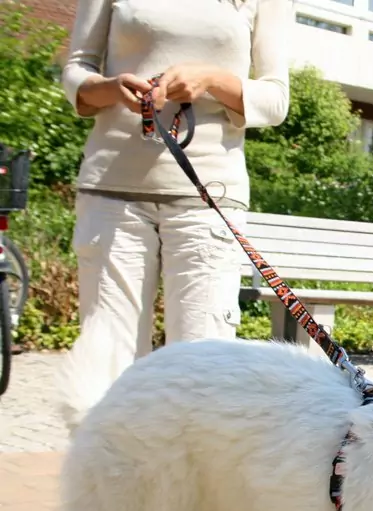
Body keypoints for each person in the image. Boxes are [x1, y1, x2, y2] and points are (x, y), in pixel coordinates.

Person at [60, 0, 291, 386]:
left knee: (203, 372)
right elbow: (76, 70)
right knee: (105, 367)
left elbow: (275, 100)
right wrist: (111, 89)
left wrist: (212, 80)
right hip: (112, 191)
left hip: (208, 199)